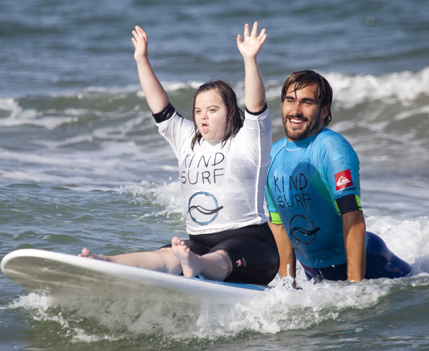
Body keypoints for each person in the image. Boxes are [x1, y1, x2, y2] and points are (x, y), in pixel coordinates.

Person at [80, 23, 279, 286]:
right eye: (198, 111)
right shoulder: (187, 141)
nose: (202, 116)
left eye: (212, 109)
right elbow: (160, 106)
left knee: (218, 258)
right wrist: (141, 59)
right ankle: (106, 262)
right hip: (198, 241)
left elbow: (255, 106)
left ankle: (197, 265)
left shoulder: (249, 141)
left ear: (231, 112)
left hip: (252, 244)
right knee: (167, 256)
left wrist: (250, 59)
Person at [265, 70, 411, 285]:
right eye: (290, 100)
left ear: (324, 110)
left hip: (372, 265)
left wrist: (355, 288)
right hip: (315, 271)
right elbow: (278, 225)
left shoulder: (333, 149)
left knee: (424, 281)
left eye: (307, 102)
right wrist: (288, 287)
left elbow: (353, 217)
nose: (295, 110)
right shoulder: (271, 156)